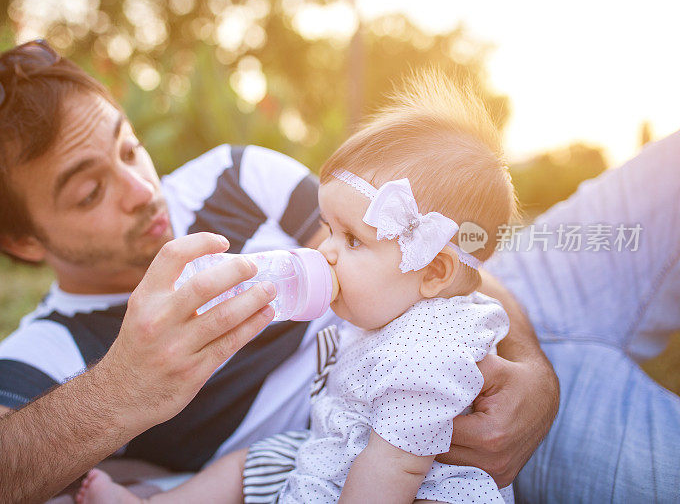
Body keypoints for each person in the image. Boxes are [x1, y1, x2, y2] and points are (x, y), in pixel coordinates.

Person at [75, 71, 519, 503]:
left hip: (405, 484)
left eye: (352, 240)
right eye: (329, 229)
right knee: (256, 460)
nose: (325, 251)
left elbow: (394, 469)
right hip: (341, 451)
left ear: (433, 272)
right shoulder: (392, 307)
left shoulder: (428, 351)